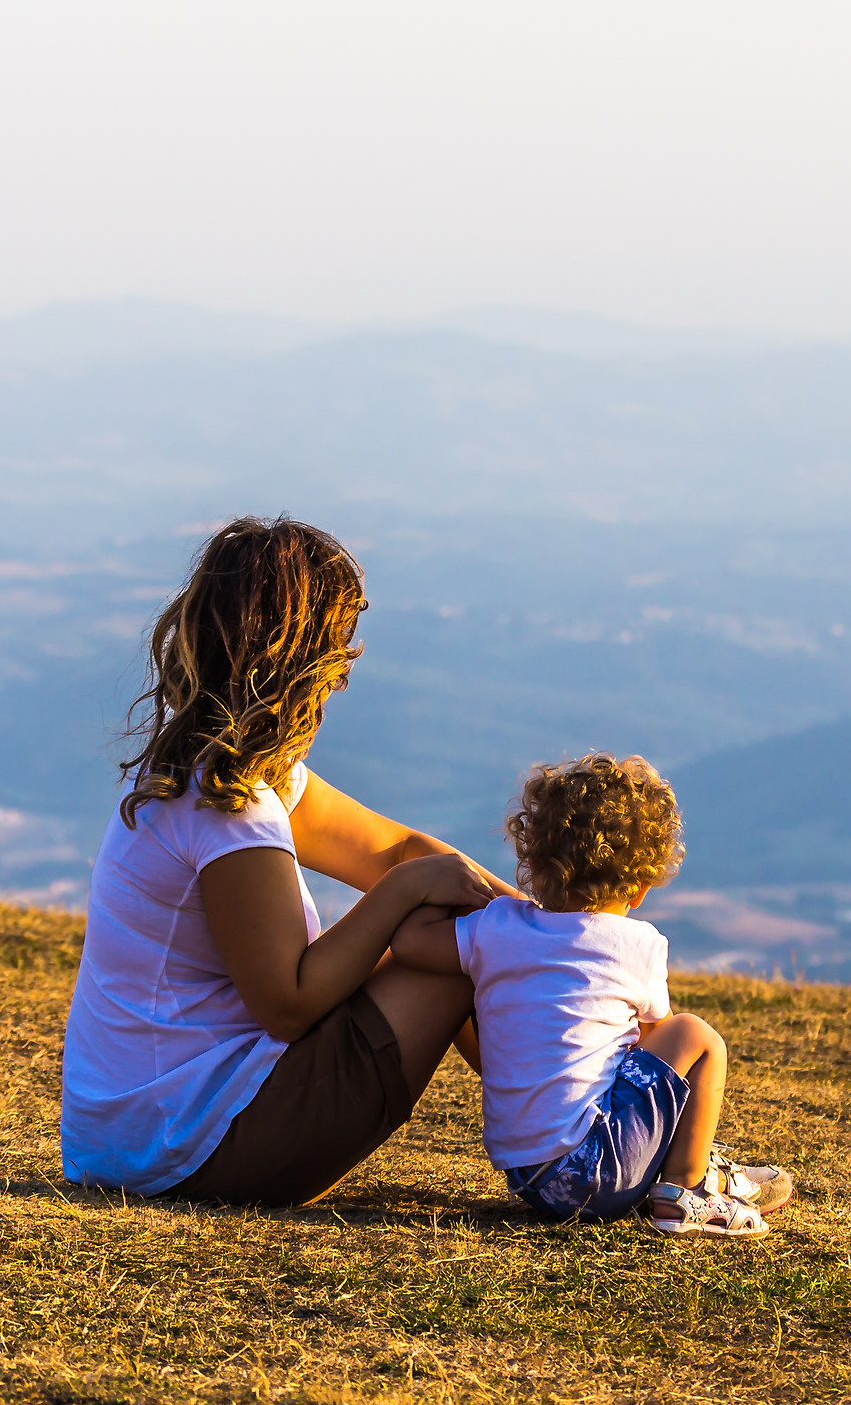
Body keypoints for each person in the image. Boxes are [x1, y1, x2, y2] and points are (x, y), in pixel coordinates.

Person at [60, 516, 513, 1206]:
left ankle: (583, 1118)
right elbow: (289, 1005)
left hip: (149, 1134)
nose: (342, 676)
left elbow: (397, 848)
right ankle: (577, 1136)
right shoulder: (226, 805)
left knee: (464, 920)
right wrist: (404, 895)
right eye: (336, 653)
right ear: (298, 661)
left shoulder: (220, 769)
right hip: (189, 1147)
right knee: (450, 940)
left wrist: (557, 933)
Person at [390, 752, 791, 1237]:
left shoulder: (493, 929)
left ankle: (698, 1169)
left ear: (533, 862)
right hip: (594, 1171)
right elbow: (654, 1042)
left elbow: (409, 941)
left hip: (528, 1177)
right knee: (693, 1036)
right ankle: (688, 1190)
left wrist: (447, 895)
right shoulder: (638, 944)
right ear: (641, 888)